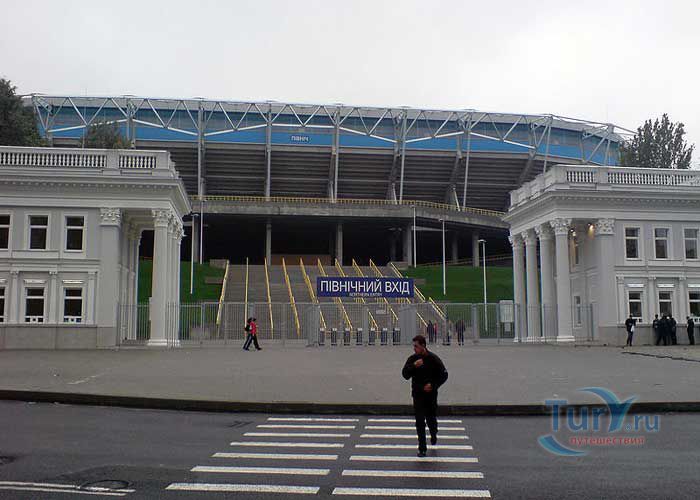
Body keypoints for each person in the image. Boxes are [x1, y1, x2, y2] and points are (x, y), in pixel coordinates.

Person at [402, 334, 448, 457]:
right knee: (419, 421)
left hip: (430, 395)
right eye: (414, 346)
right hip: (418, 395)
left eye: (416, 346)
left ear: (423, 346)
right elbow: (405, 374)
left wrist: (433, 385)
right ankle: (422, 447)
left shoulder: (433, 359)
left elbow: (444, 375)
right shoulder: (413, 359)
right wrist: (413, 366)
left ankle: (433, 432)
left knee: (431, 418)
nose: (414, 349)